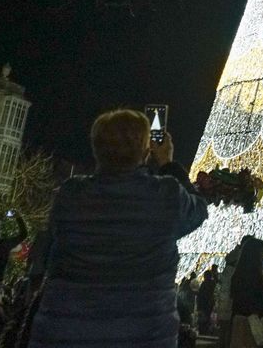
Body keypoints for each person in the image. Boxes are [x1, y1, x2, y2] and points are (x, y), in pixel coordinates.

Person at [27, 108, 209, 348]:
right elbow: (198, 210)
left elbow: (48, 248)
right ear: (145, 151)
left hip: (68, 330)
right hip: (143, 333)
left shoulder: (71, 194)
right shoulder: (165, 194)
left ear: (96, 148)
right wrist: (167, 163)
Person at [228, 236, 263, 348]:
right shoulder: (256, 277)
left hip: (242, 320)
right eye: (262, 253)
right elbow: (254, 300)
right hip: (252, 322)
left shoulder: (238, 275)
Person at [198, 264, 220, 335]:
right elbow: (217, 282)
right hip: (208, 303)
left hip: (205, 304)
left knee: (204, 318)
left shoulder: (205, 283)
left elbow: (200, 295)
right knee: (206, 318)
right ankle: (205, 330)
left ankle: (203, 330)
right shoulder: (211, 283)